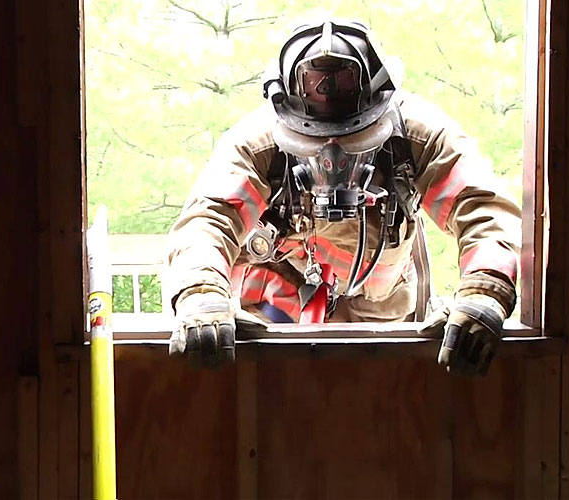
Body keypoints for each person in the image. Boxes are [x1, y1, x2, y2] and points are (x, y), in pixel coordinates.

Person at [164, 19, 521, 376]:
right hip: (277, 301)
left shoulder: (418, 139)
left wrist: (484, 291)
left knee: (381, 390)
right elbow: (207, 221)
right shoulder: (257, 146)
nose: (332, 155)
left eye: (354, 140)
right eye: (313, 143)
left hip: (381, 301)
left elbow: (483, 209)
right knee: (269, 388)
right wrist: (201, 294)